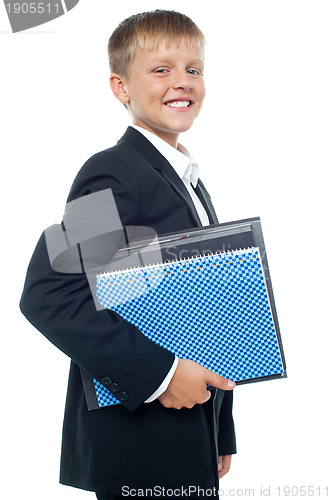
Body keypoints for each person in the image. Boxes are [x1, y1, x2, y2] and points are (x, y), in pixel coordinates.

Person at [19, 10, 236, 500]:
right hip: (140, 431)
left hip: (189, 423)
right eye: (161, 70)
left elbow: (204, 311)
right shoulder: (115, 173)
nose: (181, 82)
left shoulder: (189, 183)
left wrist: (219, 431)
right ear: (121, 87)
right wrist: (163, 376)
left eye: (193, 69)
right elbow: (53, 293)